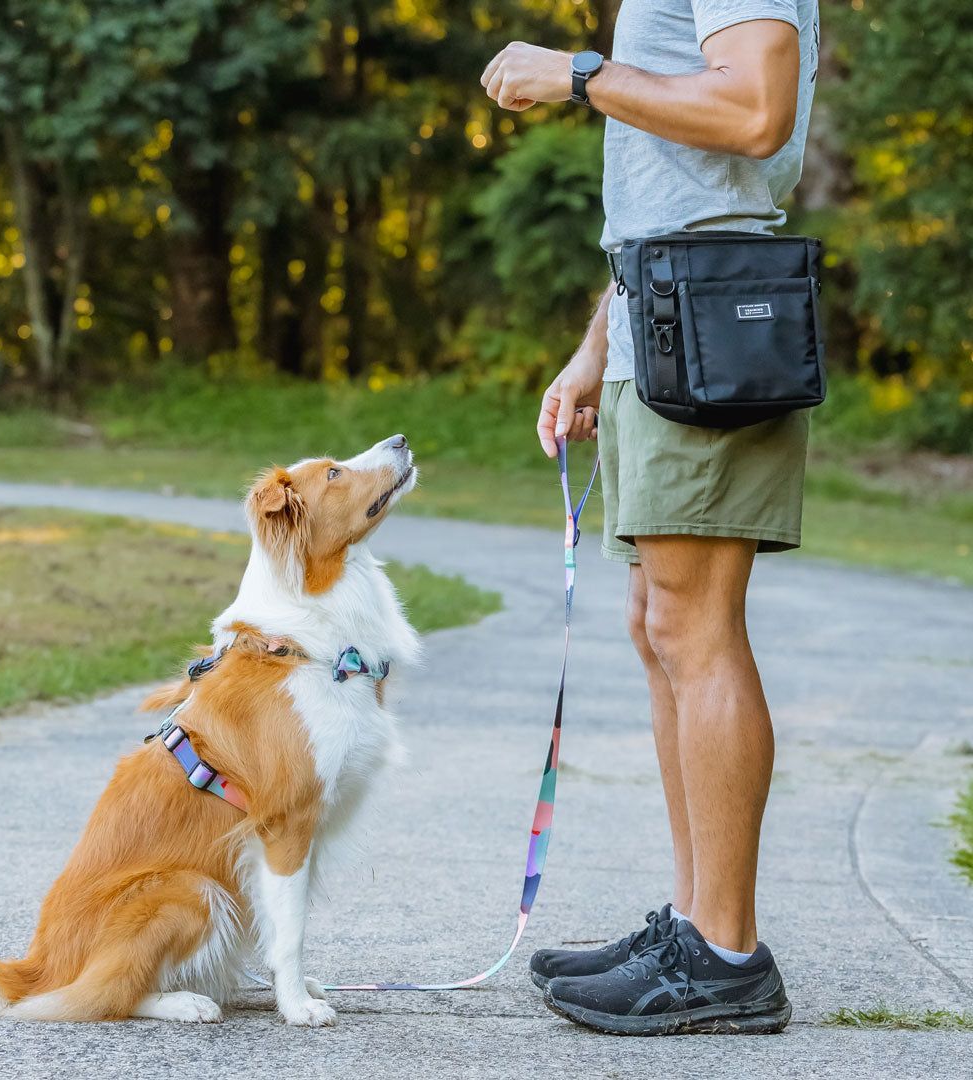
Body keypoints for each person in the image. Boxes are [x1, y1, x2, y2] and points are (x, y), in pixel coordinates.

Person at [480, 0, 819, 1037]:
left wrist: (580, 75)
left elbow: (757, 114)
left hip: (710, 315)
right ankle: (695, 924)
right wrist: (595, 348)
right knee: (655, 622)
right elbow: (668, 189)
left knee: (694, 626)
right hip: (656, 308)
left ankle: (725, 953)